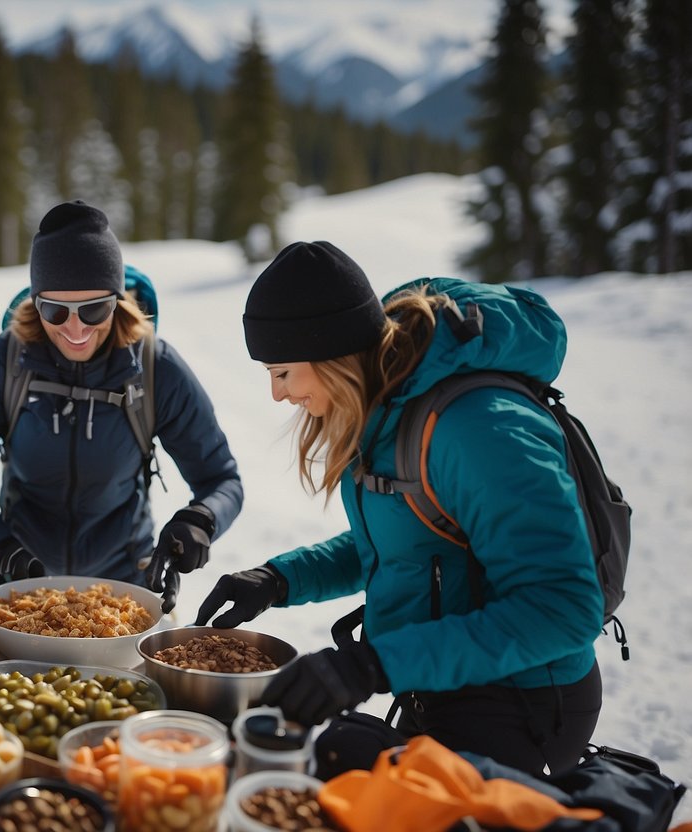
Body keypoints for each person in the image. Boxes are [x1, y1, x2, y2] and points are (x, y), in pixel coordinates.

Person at [195, 241, 603, 776]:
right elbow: (409, 542)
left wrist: (373, 663)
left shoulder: (478, 429)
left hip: (520, 701)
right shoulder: (385, 406)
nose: (277, 395)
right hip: (438, 683)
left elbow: (564, 608)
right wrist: (277, 578)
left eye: (283, 372)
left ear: (330, 354)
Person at [0, 200, 243, 612]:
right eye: (55, 310)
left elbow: (222, 479)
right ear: (35, 302)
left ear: (117, 300)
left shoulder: (154, 368)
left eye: (94, 308)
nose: (75, 329)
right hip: (24, 591)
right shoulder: (3, 363)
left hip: (124, 593)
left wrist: (200, 522)